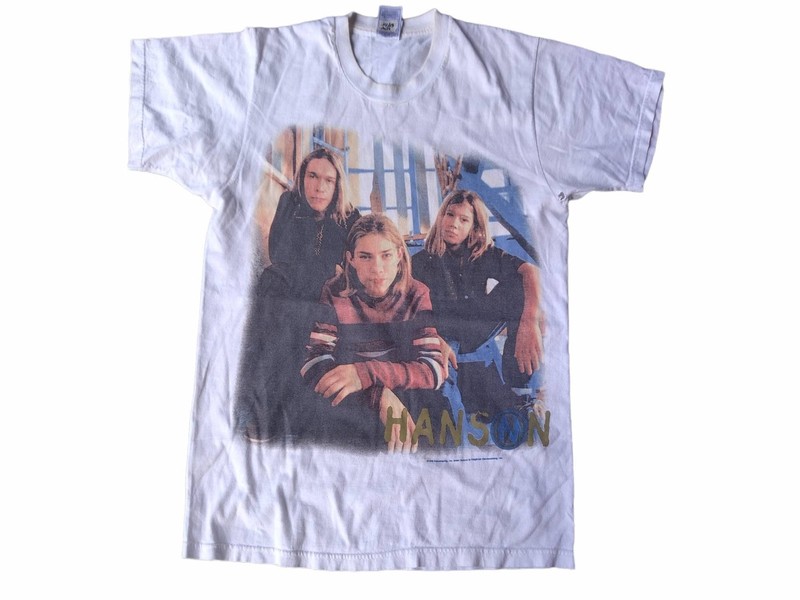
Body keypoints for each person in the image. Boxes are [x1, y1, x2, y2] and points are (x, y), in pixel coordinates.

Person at [235, 148, 361, 443]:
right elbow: (278, 253)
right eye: (312, 176)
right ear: (303, 178)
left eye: (328, 180)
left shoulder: (351, 217)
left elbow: (352, 271)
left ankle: (293, 420)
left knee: (304, 330)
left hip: (324, 298)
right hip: (285, 290)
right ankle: (264, 417)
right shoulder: (289, 203)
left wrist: (330, 276)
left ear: (337, 185)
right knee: (273, 322)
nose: (319, 187)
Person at [300, 214, 450, 453]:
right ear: (351, 259)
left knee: (436, 431)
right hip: (356, 395)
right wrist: (378, 394)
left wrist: (367, 373)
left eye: (386, 255)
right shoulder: (334, 292)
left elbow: (433, 369)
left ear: (399, 255)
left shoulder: (416, 293)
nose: (377, 269)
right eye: (365, 257)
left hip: (403, 390)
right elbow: (314, 363)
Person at [411, 189, 546, 422]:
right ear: (441, 216)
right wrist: (433, 338)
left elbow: (530, 271)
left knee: (519, 285)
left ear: (474, 227)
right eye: (450, 215)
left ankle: (519, 387)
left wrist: (529, 323)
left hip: (473, 330)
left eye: (463, 220)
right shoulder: (420, 261)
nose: (454, 224)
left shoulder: (482, 254)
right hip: (437, 334)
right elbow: (407, 308)